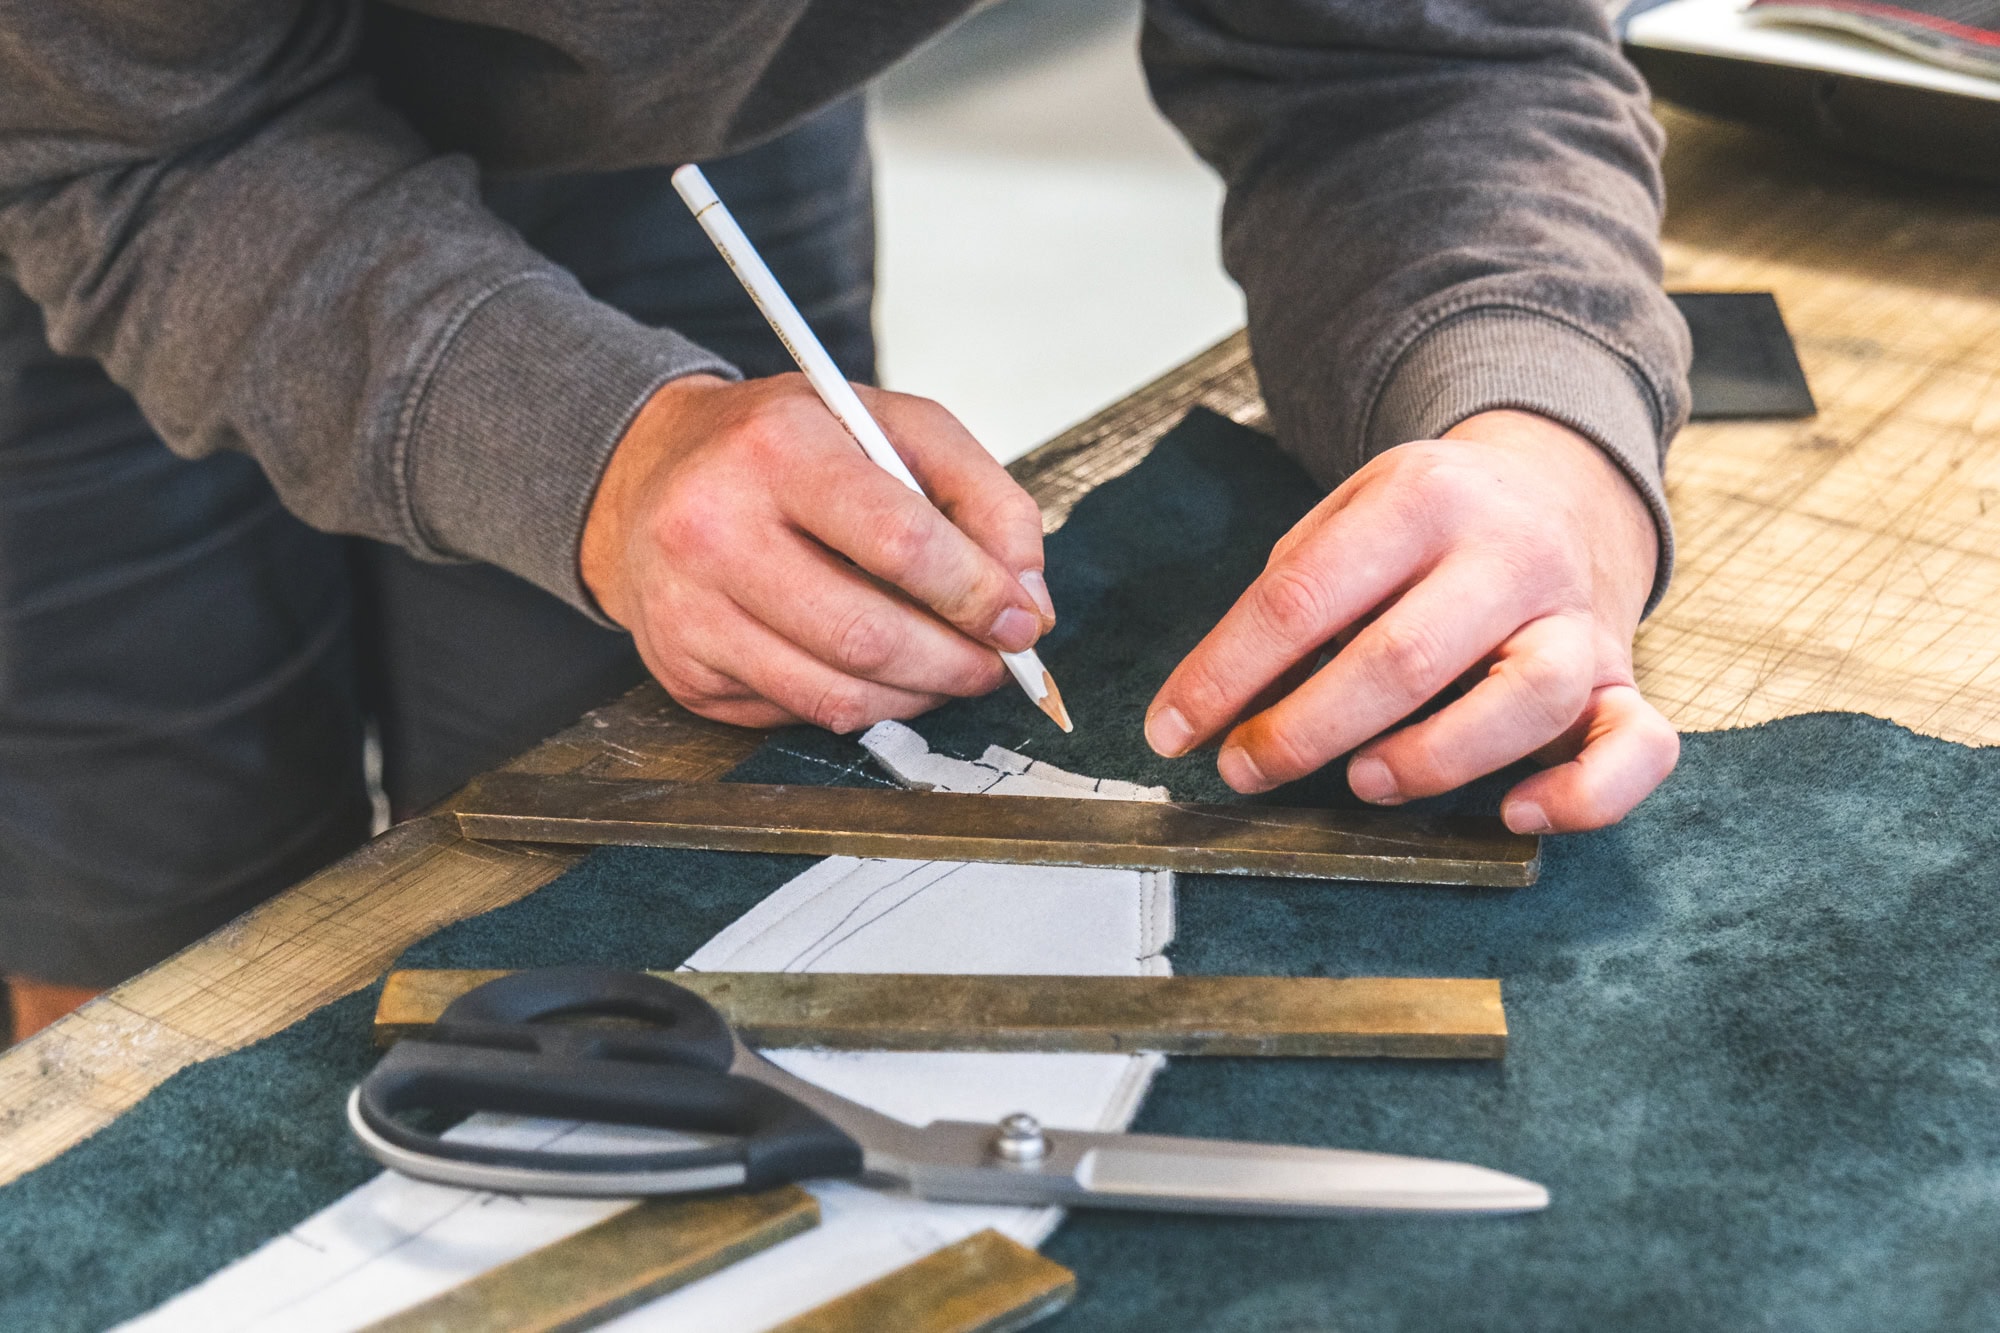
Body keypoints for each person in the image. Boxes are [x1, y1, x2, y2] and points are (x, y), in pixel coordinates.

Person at [0, 1, 1689, 1039]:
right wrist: (596, 451)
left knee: (622, 879)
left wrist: (1541, 428)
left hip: (695, 106)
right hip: (95, 130)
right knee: (168, 944)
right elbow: (125, 141)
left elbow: (1407, 57)